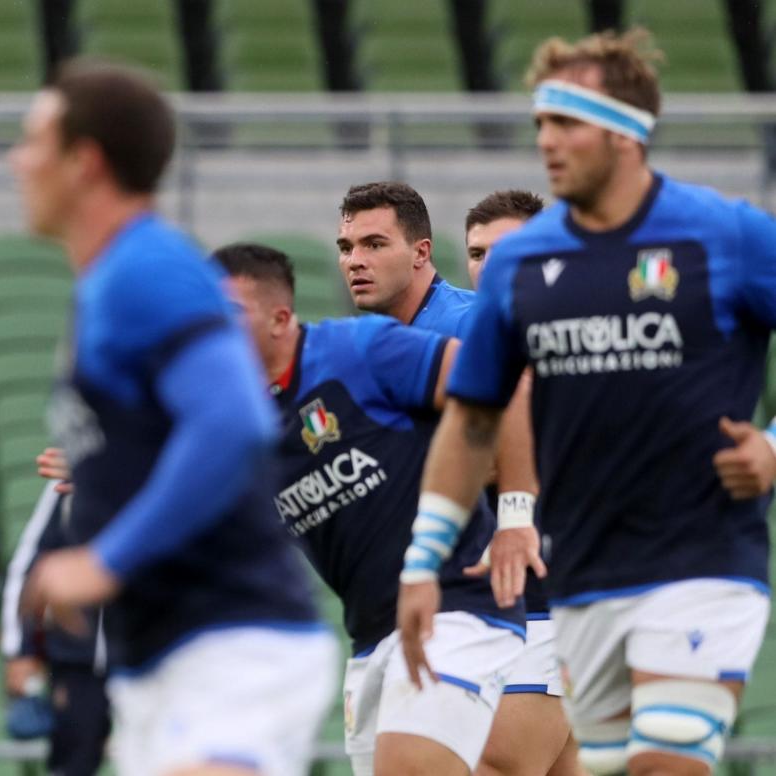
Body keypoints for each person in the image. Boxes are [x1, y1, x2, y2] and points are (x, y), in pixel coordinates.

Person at [397, 29, 775, 776]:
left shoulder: (725, 236)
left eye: (567, 123)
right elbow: (473, 421)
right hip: (583, 579)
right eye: (540, 124)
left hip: (702, 566)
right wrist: (420, 561)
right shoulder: (521, 268)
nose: (547, 142)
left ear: (627, 134)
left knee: (666, 765)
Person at [9, 61, 337, 776]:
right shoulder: (110, 279)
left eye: (34, 141)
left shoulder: (145, 269)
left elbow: (234, 423)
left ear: (85, 162)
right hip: (161, 658)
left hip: (229, 641)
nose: (16, 159)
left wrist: (104, 561)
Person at [213, 242, 525, 776]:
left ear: (280, 318)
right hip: (370, 637)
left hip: (455, 606)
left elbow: (500, 380)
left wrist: (517, 517)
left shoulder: (360, 349)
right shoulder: (238, 426)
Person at [464, 191, 587, 776]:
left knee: (496, 765)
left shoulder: (588, 343)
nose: (489, 266)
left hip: (549, 603)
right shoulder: (470, 347)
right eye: (477, 252)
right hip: (505, 607)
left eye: (506, 250)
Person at [1, 479, 110, 776]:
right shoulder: (68, 482)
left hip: (152, 652)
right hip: (78, 663)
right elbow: (27, 566)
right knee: (72, 764)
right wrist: (19, 650)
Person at [335, 181, 474, 335]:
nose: (354, 262)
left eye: (375, 245)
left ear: (420, 253)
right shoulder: (366, 339)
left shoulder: (473, 326)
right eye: (346, 249)